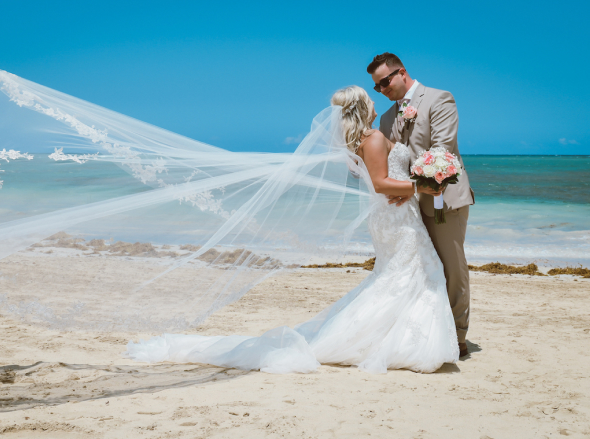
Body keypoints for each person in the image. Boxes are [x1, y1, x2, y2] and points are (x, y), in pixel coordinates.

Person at [125, 86, 459, 374]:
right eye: (368, 97)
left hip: (395, 217)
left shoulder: (364, 140)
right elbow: (381, 183)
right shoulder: (371, 139)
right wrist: (420, 187)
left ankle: (407, 339)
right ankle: (406, 345)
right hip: (396, 218)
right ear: (362, 107)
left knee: (402, 277)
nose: (375, 101)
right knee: (412, 274)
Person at [368, 52, 475, 357]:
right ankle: (428, 333)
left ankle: (458, 336)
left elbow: (442, 149)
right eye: (377, 87)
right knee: (423, 270)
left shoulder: (440, 99)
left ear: (402, 72)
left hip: (445, 198)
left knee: (452, 267)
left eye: (385, 81)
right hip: (409, 207)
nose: (383, 89)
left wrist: (412, 185)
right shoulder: (388, 118)